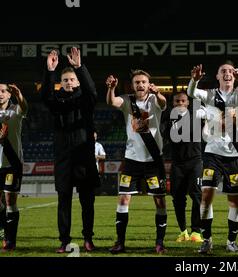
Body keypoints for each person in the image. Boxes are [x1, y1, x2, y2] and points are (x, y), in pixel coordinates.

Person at [188, 61, 238, 254]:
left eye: (230, 71)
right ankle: (206, 240)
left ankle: (231, 241)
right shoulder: (209, 95)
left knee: (234, 201)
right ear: (217, 76)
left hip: (234, 155)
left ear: (234, 76)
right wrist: (194, 80)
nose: (227, 73)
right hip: (212, 154)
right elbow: (192, 93)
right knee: (206, 196)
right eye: (223, 71)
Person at [42, 48, 100, 253]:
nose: (68, 82)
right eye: (64, 79)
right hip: (64, 159)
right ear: (61, 82)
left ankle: (88, 239)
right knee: (63, 202)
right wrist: (50, 72)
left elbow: (92, 91)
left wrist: (79, 67)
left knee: (87, 203)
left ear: (77, 82)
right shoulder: (56, 102)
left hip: (84, 159)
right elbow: (45, 97)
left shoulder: (86, 101)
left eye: (71, 79)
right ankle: (64, 241)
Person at [106, 70, 168, 254]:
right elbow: (111, 101)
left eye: (143, 82)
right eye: (137, 82)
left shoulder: (155, 100)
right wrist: (111, 89)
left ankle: (159, 243)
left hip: (153, 160)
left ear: (149, 84)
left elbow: (163, 103)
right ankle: (120, 242)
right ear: (132, 85)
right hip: (132, 160)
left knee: (160, 202)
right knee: (123, 199)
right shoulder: (127, 101)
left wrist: (157, 93)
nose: (140, 85)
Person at [168, 91, 203, 243]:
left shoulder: (197, 115)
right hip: (177, 163)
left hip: (195, 161)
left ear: (188, 103)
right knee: (177, 198)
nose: (180, 104)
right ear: (173, 103)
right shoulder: (168, 117)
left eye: (183, 101)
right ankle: (183, 231)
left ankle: (196, 231)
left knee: (196, 195)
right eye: (177, 101)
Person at [0, 83, 27, 251]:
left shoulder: (15, 111)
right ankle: (4, 230)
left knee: (10, 201)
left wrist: (20, 95)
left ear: (9, 95)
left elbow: (24, 107)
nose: (0, 94)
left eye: (3, 91)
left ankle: (10, 241)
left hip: (12, 164)